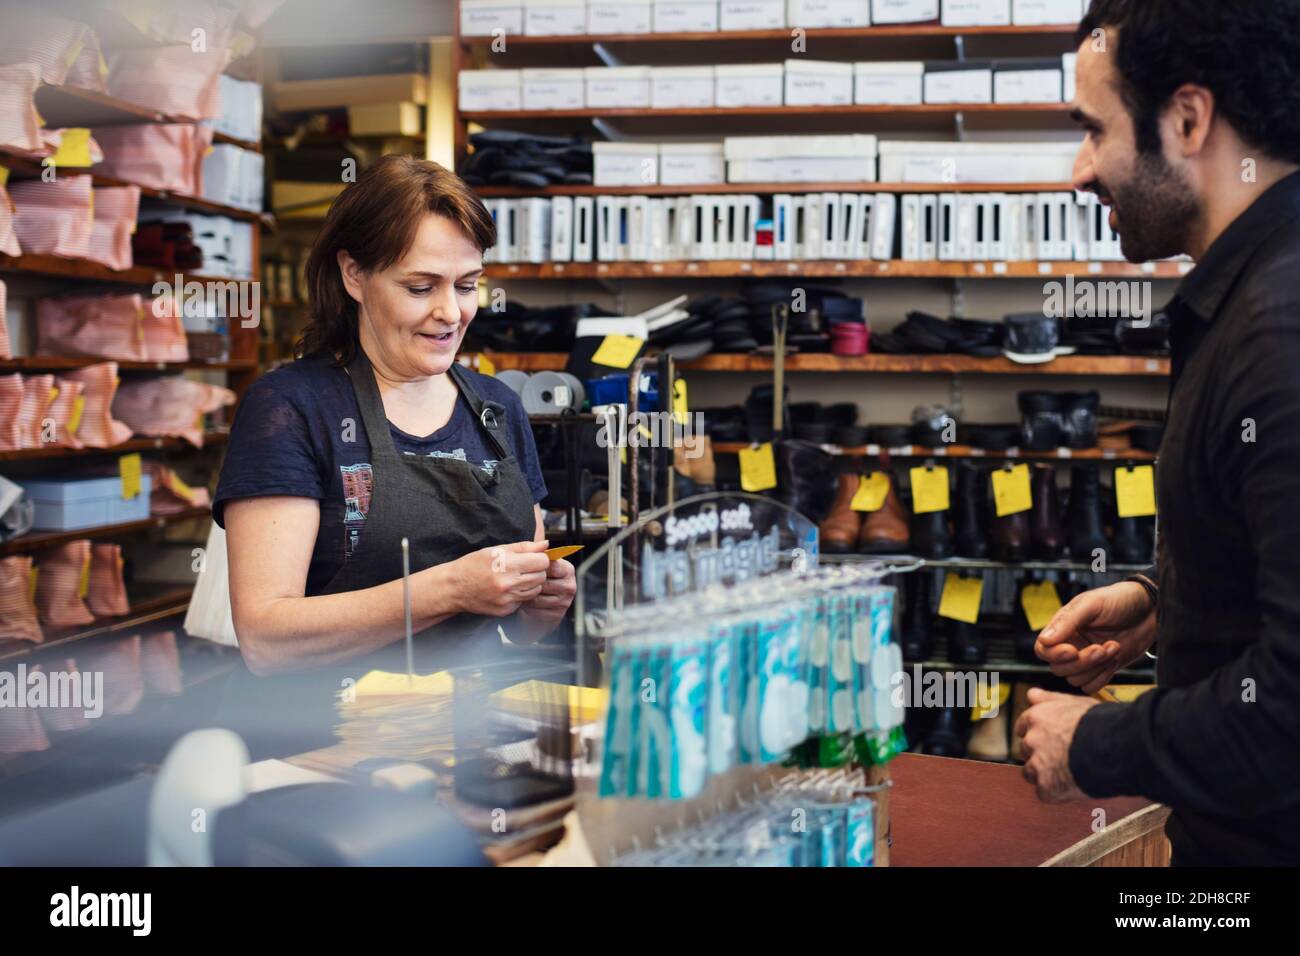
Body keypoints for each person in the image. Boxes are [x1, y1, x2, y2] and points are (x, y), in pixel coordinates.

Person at [1013, 0, 1300, 865]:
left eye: (1095, 131)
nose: (1079, 171)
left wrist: (1095, 745)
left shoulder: (1278, 331)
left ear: (1186, 119)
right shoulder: (1254, 291)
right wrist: (1163, 599)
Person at [212, 156, 576, 754]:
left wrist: (536, 611)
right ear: (354, 275)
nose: (451, 313)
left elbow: (511, 631)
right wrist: (451, 589)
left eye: (466, 286)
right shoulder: (291, 408)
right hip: (318, 748)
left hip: (462, 741)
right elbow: (267, 639)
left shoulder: (497, 409)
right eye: (419, 287)